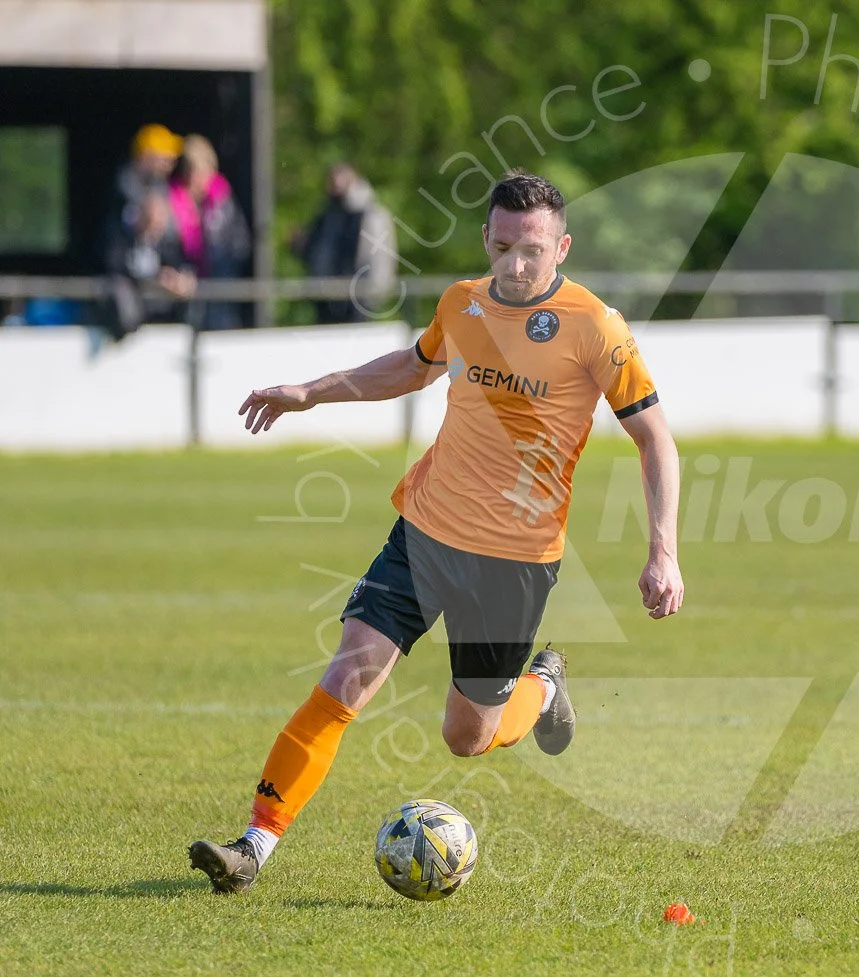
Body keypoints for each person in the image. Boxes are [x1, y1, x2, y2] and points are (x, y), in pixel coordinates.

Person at [189, 170, 684, 893]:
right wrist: (310, 393)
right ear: (487, 237)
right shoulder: (462, 302)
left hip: (514, 562)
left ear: (562, 249)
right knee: (348, 674)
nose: (516, 264)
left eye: (534, 251)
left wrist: (662, 551)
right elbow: (412, 366)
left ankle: (542, 688)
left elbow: (655, 440)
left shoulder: (594, 327)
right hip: (424, 531)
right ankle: (253, 847)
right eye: (505, 245)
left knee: (467, 737)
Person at [293, 163, 398, 323]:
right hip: (326, 299)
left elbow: (378, 261)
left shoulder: (372, 215)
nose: (334, 185)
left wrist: (372, 293)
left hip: (359, 300)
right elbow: (319, 252)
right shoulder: (329, 214)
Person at [168, 135, 251, 330]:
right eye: (194, 171)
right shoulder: (170, 200)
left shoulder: (224, 203)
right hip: (181, 295)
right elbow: (167, 247)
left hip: (219, 294)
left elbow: (240, 245)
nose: (199, 178)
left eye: (204, 171)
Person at [100, 190, 197, 339]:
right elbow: (114, 268)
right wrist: (154, 280)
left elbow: (179, 267)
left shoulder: (166, 244)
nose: (155, 229)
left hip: (162, 320)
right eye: (150, 222)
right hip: (130, 319)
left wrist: (179, 280)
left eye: (160, 224)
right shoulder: (120, 239)